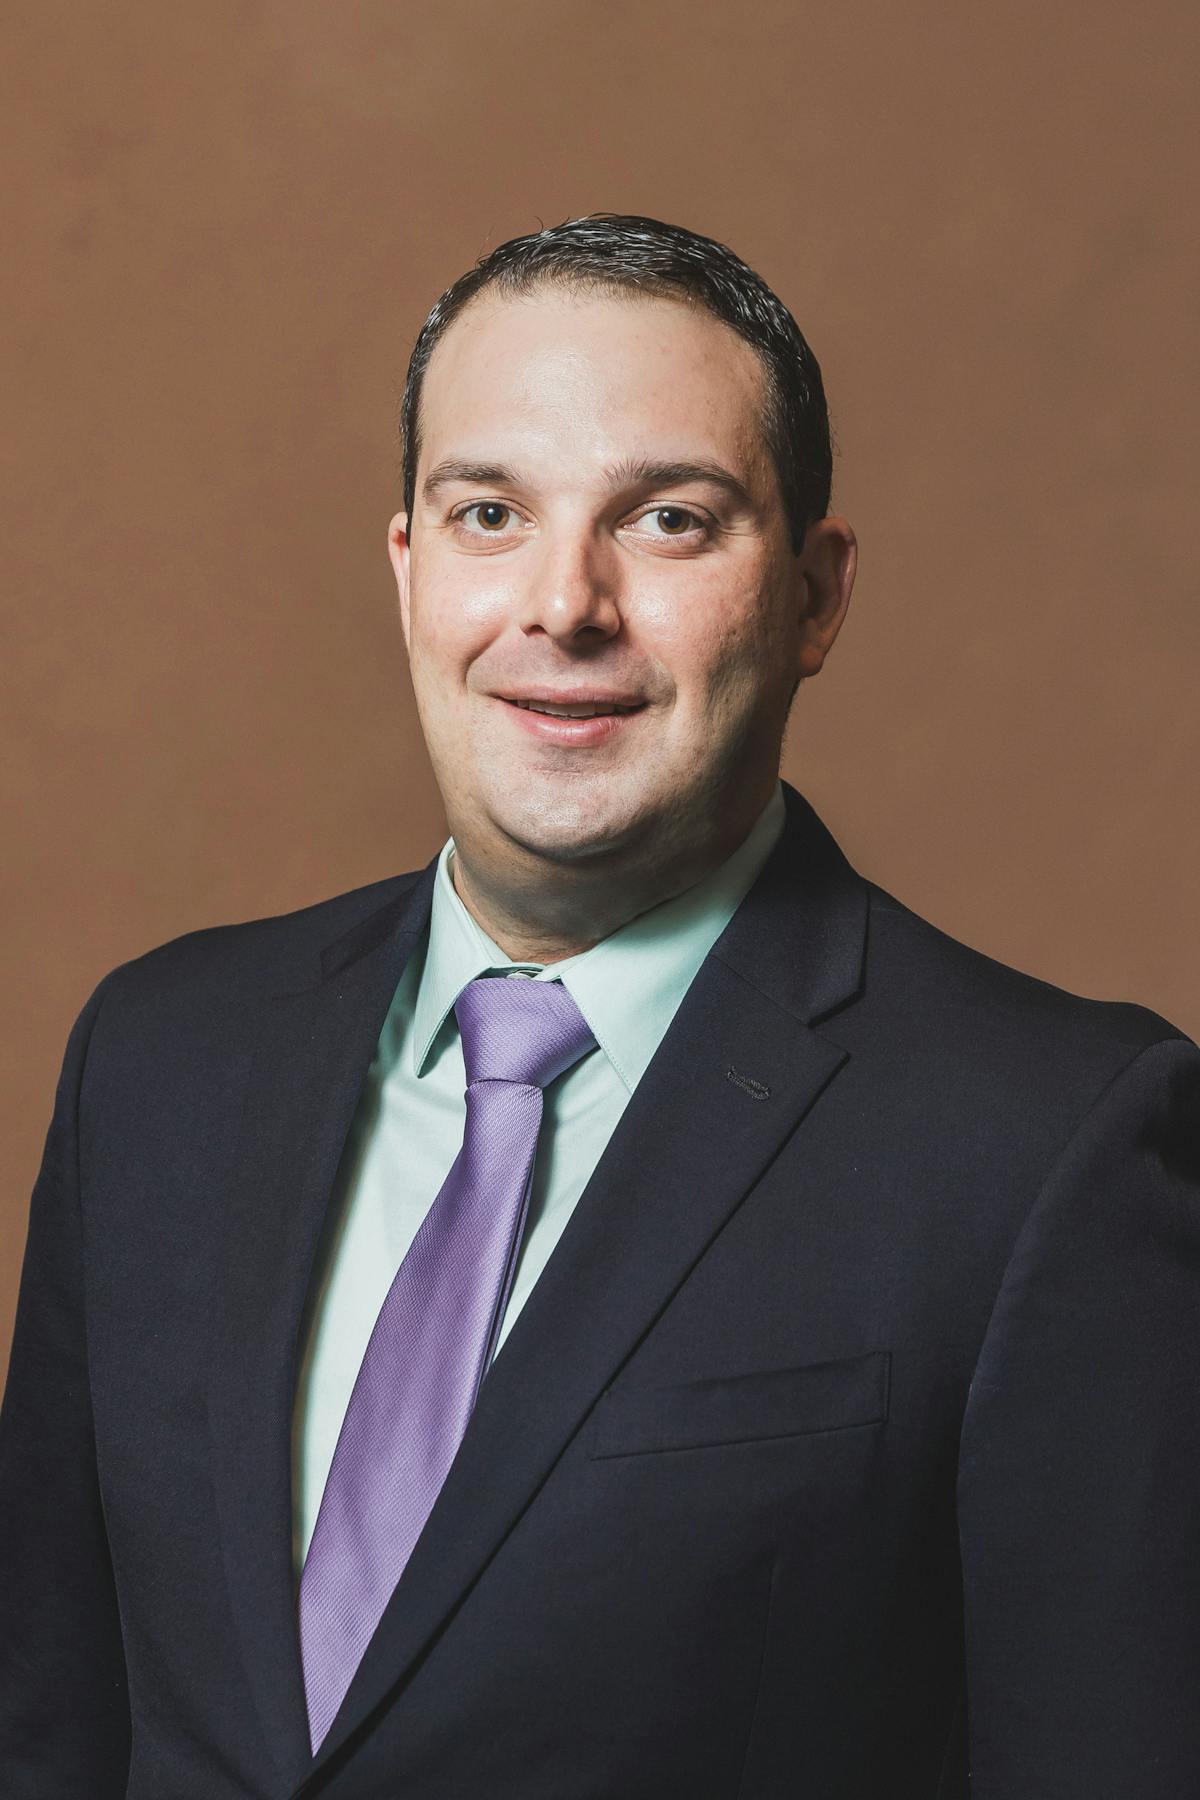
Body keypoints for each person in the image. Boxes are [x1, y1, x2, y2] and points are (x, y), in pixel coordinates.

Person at [1, 213, 1197, 1800]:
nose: (564, 603)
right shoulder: (158, 1060)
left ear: (817, 597)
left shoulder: (1051, 1144)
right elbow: (49, 1730)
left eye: (671, 521)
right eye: (490, 510)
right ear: (410, 569)